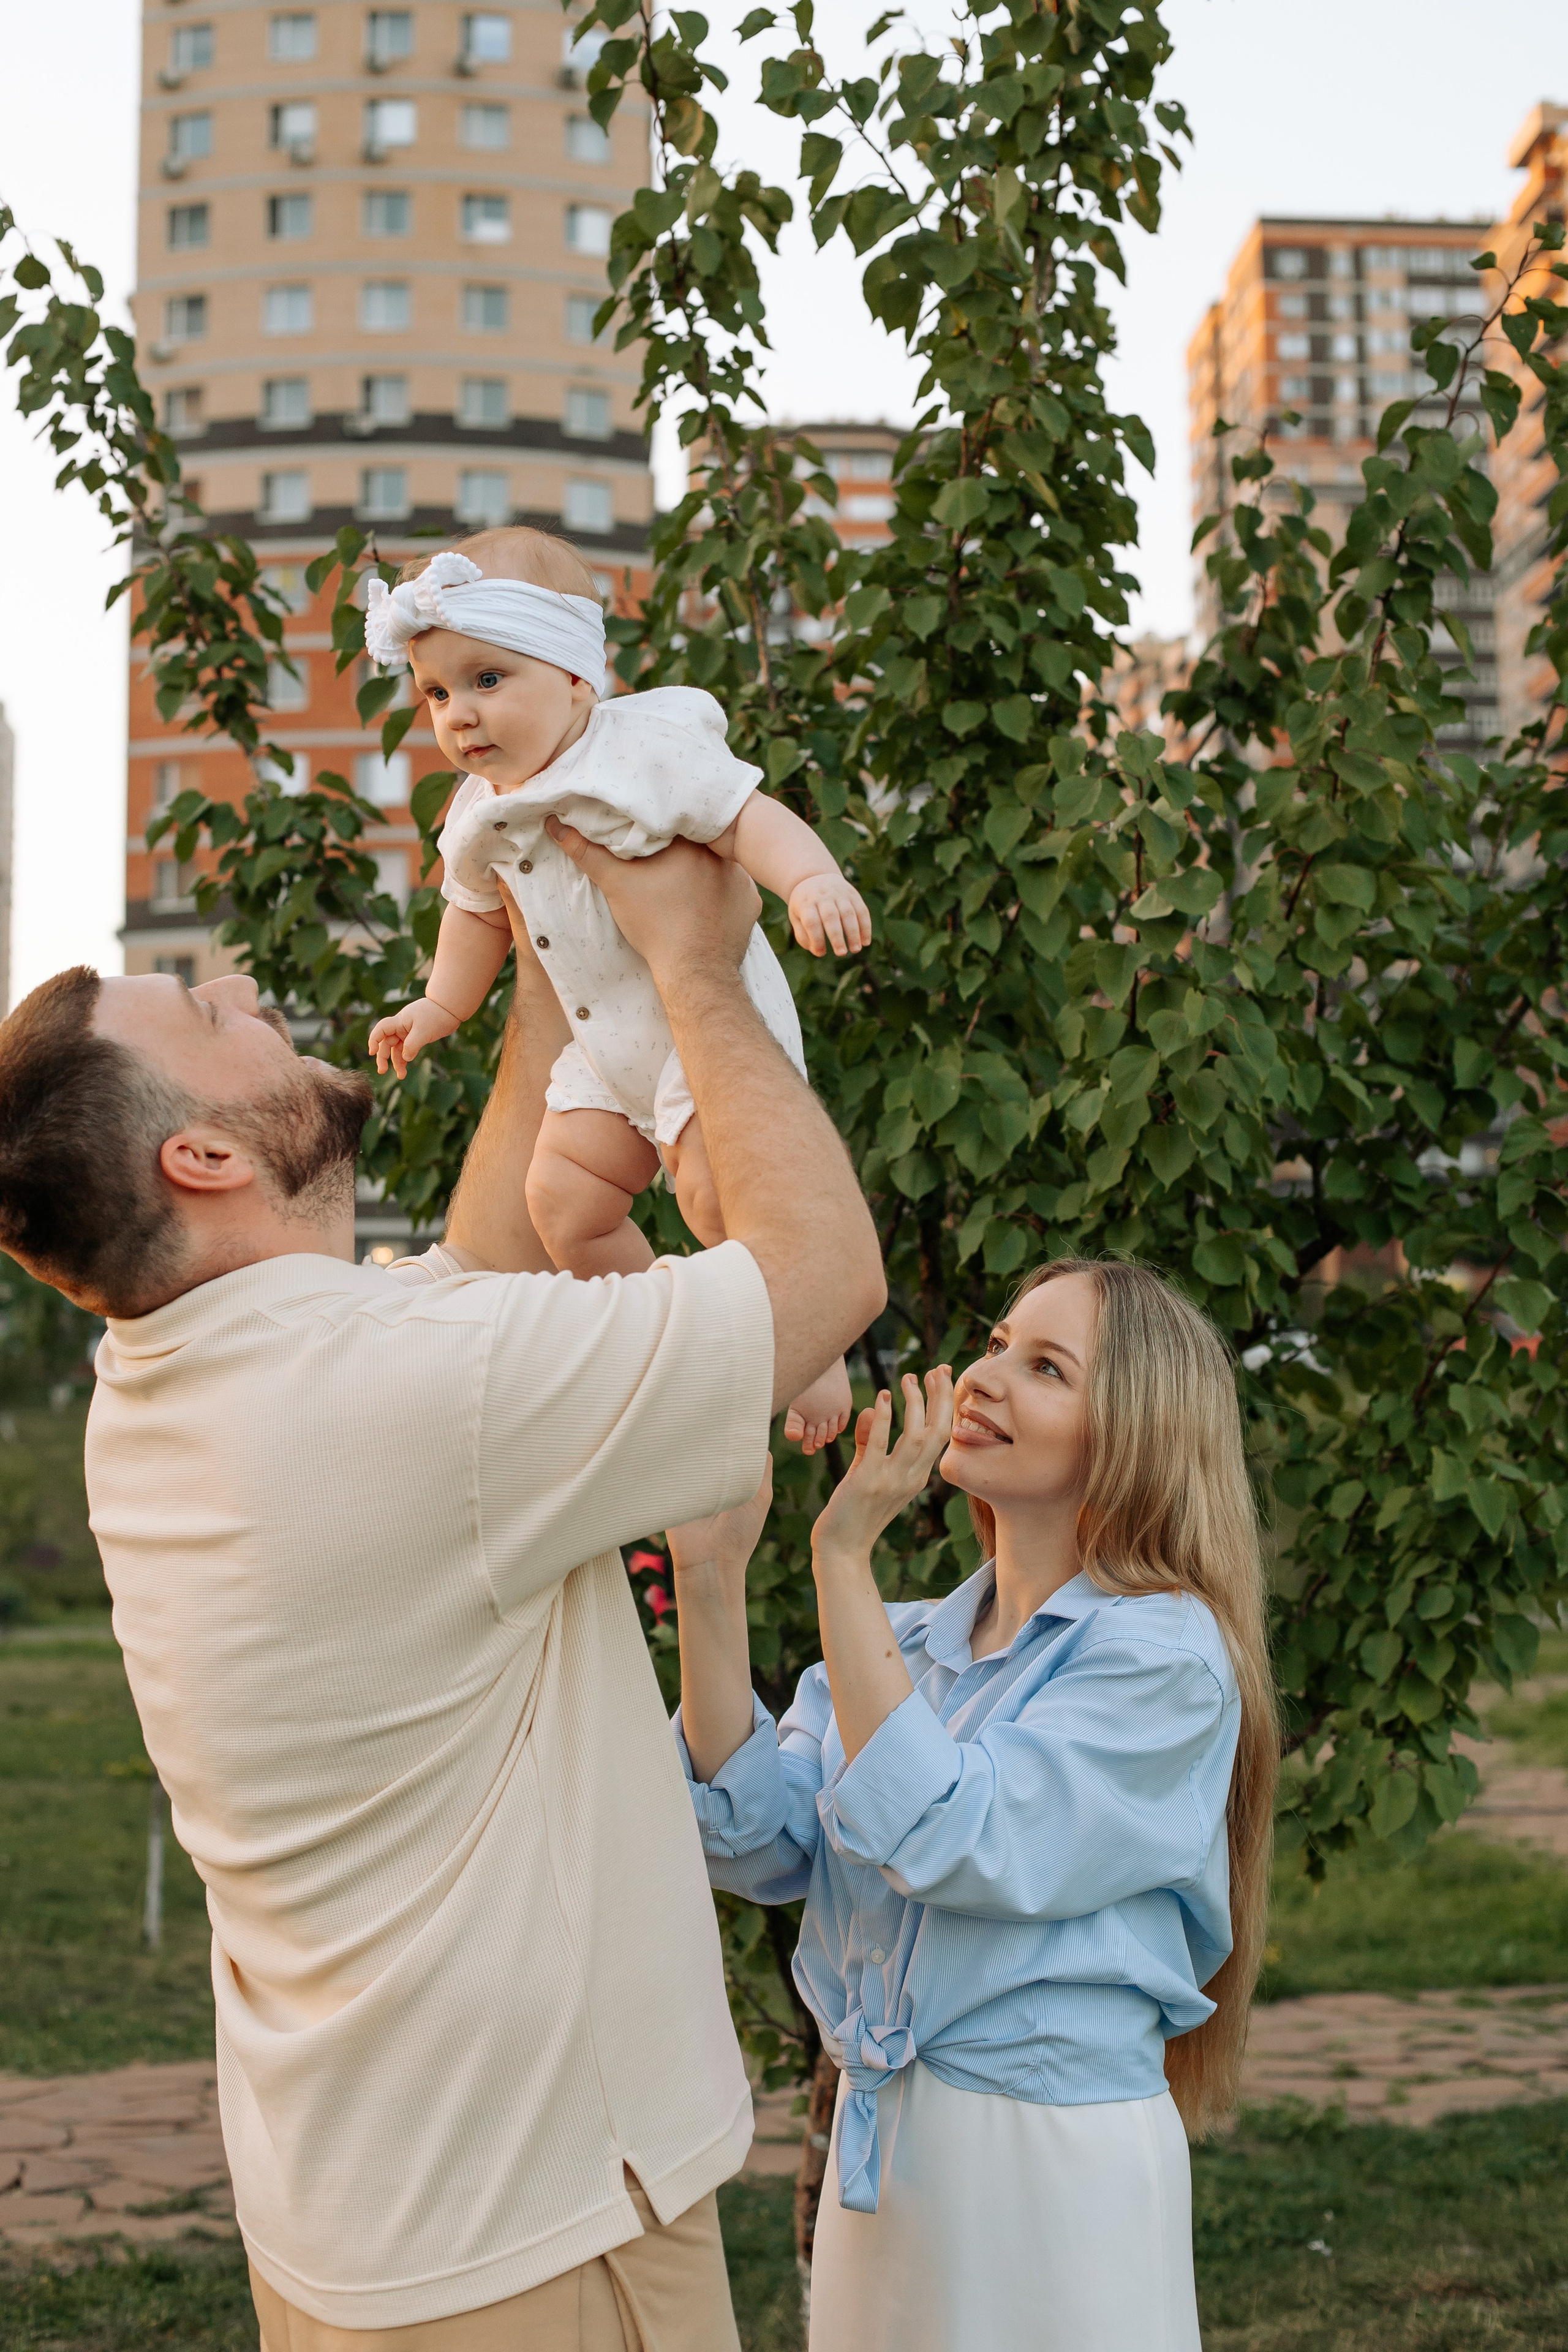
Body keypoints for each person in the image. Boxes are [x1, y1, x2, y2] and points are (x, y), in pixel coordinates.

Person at [0, 825, 884, 2351]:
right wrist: (690, 959)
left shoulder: (164, 1386)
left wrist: (548, 928)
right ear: (203, 1159)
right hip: (537, 2238)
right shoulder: (405, 1393)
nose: (245, 984)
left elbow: (478, 1257)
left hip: (359, 2216)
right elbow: (823, 1273)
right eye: (210, 1017)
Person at [668, 1259, 1278, 2352]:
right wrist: (708, 1581)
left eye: (1046, 1367)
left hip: (1046, 2155)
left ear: (1130, 1436)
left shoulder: (1167, 1656)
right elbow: (758, 1840)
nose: (986, 1377)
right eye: (997, 1344)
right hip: (889, 2154)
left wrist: (840, 1558)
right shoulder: (901, 1647)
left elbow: (958, 1836)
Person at [364, 529, 871, 1454]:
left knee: (719, 1202)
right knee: (562, 1201)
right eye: (437, 693)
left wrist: (811, 883)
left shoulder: (640, 756)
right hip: (603, 1054)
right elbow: (476, 916)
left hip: (702, 1037)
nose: (459, 716)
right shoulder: (476, 812)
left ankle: (805, 1345)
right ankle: (656, 1336)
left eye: (487, 681)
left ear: (575, 679)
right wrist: (439, 1005)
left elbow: (745, 820)